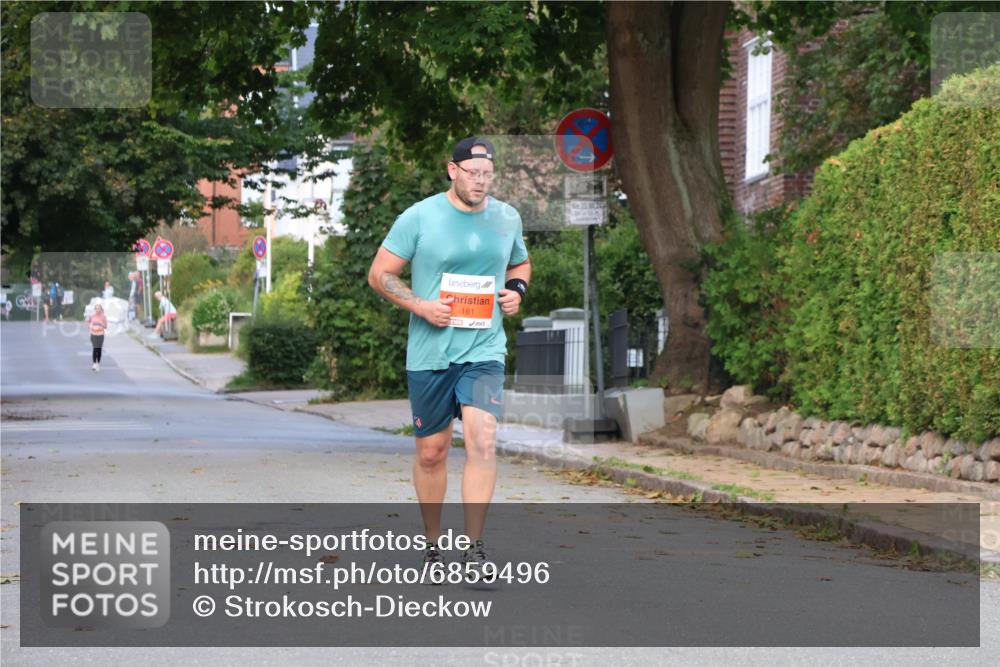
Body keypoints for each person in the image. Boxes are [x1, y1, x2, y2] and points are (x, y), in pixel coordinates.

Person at [368, 136, 531, 575]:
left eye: (487, 175)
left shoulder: (506, 217)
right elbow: (380, 274)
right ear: (452, 170)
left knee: (483, 439)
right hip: (431, 352)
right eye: (473, 173)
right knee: (432, 452)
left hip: (484, 348)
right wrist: (421, 306)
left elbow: (520, 263)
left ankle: (474, 548)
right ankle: (432, 546)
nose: (480, 181)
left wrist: (516, 291)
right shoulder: (419, 217)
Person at [87, 303, 108, 371]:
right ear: (95, 309)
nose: (97, 310)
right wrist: (90, 326)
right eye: (96, 308)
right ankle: (94, 364)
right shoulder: (92, 316)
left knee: (99, 349)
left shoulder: (103, 317)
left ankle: (98, 363)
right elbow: (88, 324)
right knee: (95, 348)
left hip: (100, 334)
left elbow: (106, 326)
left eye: (99, 308)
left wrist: (101, 324)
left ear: (101, 309)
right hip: (93, 334)